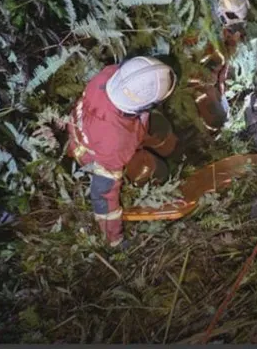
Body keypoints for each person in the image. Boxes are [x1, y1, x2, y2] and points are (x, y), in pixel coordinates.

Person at [63, 56, 179, 248]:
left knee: (161, 130)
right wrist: (114, 239)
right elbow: (103, 194)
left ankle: (163, 148)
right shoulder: (115, 143)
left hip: (97, 125)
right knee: (154, 171)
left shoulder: (107, 75)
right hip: (96, 152)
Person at [188, 0, 251, 133]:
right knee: (216, 119)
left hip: (211, 84)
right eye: (234, 27)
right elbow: (200, 75)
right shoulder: (204, 39)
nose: (236, 32)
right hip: (197, 88)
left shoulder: (222, 36)